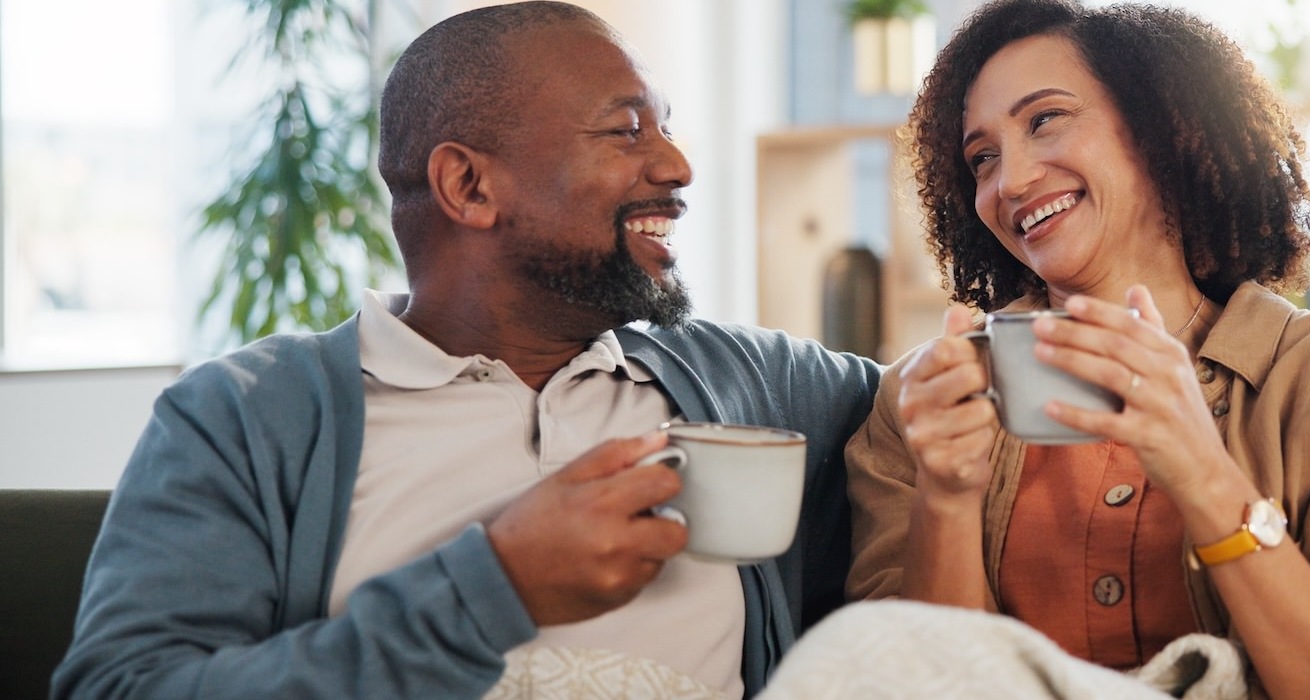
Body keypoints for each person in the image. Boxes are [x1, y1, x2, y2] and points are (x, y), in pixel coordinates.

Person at [53, 3, 879, 698]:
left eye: (666, 128)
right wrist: (495, 586)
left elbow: (968, 402)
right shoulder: (246, 417)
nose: (677, 166)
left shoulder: (752, 387)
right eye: (627, 131)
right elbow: (126, 685)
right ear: (469, 187)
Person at [844, 1, 1310, 697]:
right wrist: (947, 498)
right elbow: (902, 681)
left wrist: (1203, 472)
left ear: (1163, 127)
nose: (1009, 182)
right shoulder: (922, 404)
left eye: (1045, 119)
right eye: (982, 158)